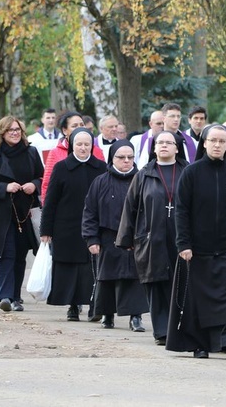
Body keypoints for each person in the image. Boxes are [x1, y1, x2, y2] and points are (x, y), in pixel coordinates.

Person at [166, 125, 226, 359]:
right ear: (204, 143)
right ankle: (200, 344)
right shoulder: (191, 173)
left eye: (222, 142)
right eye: (213, 140)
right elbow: (181, 211)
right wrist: (184, 244)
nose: (217, 145)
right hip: (197, 248)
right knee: (199, 299)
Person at [116, 130, 189, 346]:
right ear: (154, 147)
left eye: (169, 142)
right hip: (151, 236)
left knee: (180, 281)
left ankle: (180, 327)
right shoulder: (144, 174)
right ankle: (161, 331)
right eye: (160, 142)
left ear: (177, 147)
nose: (164, 145)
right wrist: (126, 239)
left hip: (180, 235)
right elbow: (130, 207)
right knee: (155, 282)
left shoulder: (187, 171)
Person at [0, 116, 43, 313]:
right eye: (10, 130)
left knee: (20, 256)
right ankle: (4, 296)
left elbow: (41, 176)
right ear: (2, 133)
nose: (15, 133)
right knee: (5, 253)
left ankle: (15, 296)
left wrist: (34, 185)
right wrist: (4, 187)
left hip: (24, 212)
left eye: (18, 130)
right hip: (1, 213)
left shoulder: (31, 152)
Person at [41, 128, 106, 321]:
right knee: (70, 268)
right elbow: (50, 200)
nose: (83, 148)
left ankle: (95, 305)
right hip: (66, 226)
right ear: (72, 145)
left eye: (87, 144)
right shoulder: (62, 167)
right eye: (79, 144)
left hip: (94, 226)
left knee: (91, 267)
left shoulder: (101, 168)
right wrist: (46, 229)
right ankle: (73, 305)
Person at [82, 140, 147, 330]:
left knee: (134, 278)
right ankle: (107, 315)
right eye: (121, 157)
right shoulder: (100, 181)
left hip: (135, 238)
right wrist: (91, 238)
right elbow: (90, 212)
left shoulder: (143, 179)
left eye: (130, 157)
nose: (126, 161)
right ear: (112, 158)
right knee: (107, 278)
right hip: (107, 237)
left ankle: (136, 317)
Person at [41, 112, 104, 204]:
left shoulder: (96, 151)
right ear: (65, 130)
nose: (80, 128)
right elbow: (47, 184)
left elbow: (105, 179)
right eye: (74, 126)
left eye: (82, 125)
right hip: (66, 206)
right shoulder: (55, 153)